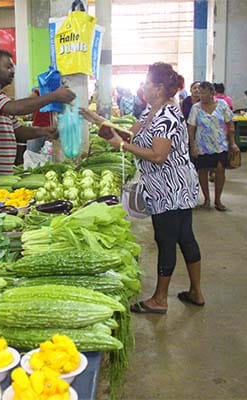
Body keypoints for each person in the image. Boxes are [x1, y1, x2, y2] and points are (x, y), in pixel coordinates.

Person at [80, 62, 203, 314]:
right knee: (184, 236)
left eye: (146, 83)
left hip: (170, 185)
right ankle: (196, 292)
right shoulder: (151, 111)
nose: (143, 87)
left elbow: (158, 155)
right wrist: (99, 121)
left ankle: (160, 299)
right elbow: (129, 134)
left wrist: (121, 146)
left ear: (159, 88)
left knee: (167, 239)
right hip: (167, 183)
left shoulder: (166, 115)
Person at [0, 49, 75, 203]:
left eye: (13, 67)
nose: (13, 71)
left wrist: (44, 131)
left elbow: (18, 131)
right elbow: (17, 108)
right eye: (8, 66)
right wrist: (53, 96)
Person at [187, 81, 239, 211]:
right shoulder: (196, 108)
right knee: (202, 171)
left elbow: (230, 125)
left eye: (204, 93)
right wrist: (192, 146)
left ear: (212, 93)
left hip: (220, 145)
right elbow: (191, 128)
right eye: (200, 93)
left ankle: (218, 200)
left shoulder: (222, 105)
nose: (201, 96)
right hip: (202, 145)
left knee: (220, 170)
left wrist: (232, 142)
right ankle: (206, 199)